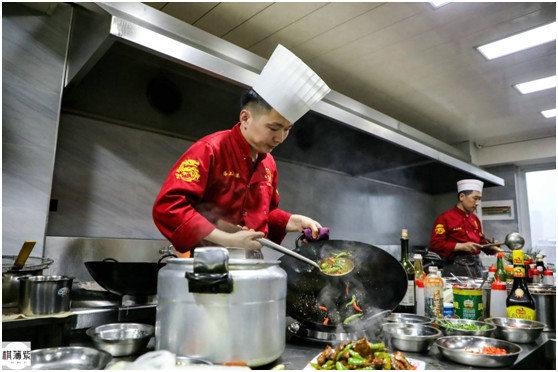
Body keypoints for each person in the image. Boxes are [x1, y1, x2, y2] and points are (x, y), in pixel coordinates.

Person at [152, 45, 330, 255]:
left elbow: (263, 215)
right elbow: (169, 208)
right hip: (207, 264)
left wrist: (292, 221)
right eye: (273, 128)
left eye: (287, 130)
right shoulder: (211, 150)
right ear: (245, 118)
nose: (280, 138)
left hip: (251, 264)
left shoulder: (268, 164)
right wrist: (227, 239)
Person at [429, 179, 499, 277]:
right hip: (455, 269)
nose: (477, 202)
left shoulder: (474, 219)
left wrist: (491, 247)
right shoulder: (445, 218)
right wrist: (461, 246)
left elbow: (480, 241)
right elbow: (435, 244)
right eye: (475, 198)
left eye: (479, 199)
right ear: (462, 197)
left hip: (476, 267)